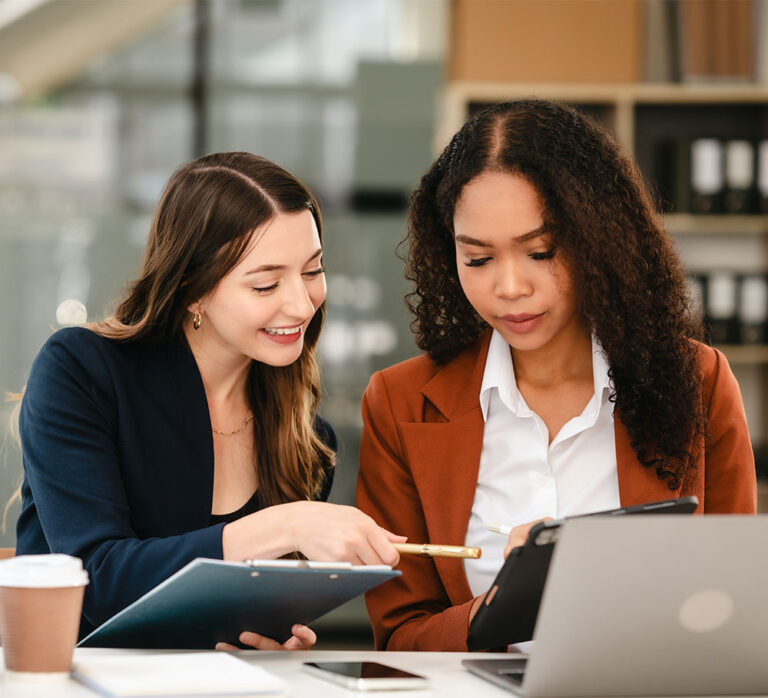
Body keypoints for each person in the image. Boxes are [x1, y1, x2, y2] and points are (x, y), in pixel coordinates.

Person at [357, 99, 757, 652]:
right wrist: (506, 606)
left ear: (599, 238)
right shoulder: (399, 403)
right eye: (478, 259)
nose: (511, 287)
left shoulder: (699, 382)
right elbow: (398, 639)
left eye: (540, 251)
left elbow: (732, 606)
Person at [16, 152, 403, 647]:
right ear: (191, 290)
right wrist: (285, 526)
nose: (302, 304)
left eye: (312, 270)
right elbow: (96, 579)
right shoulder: (82, 371)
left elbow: (217, 620)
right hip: (72, 695)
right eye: (266, 283)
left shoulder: (305, 441)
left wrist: (269, 634)